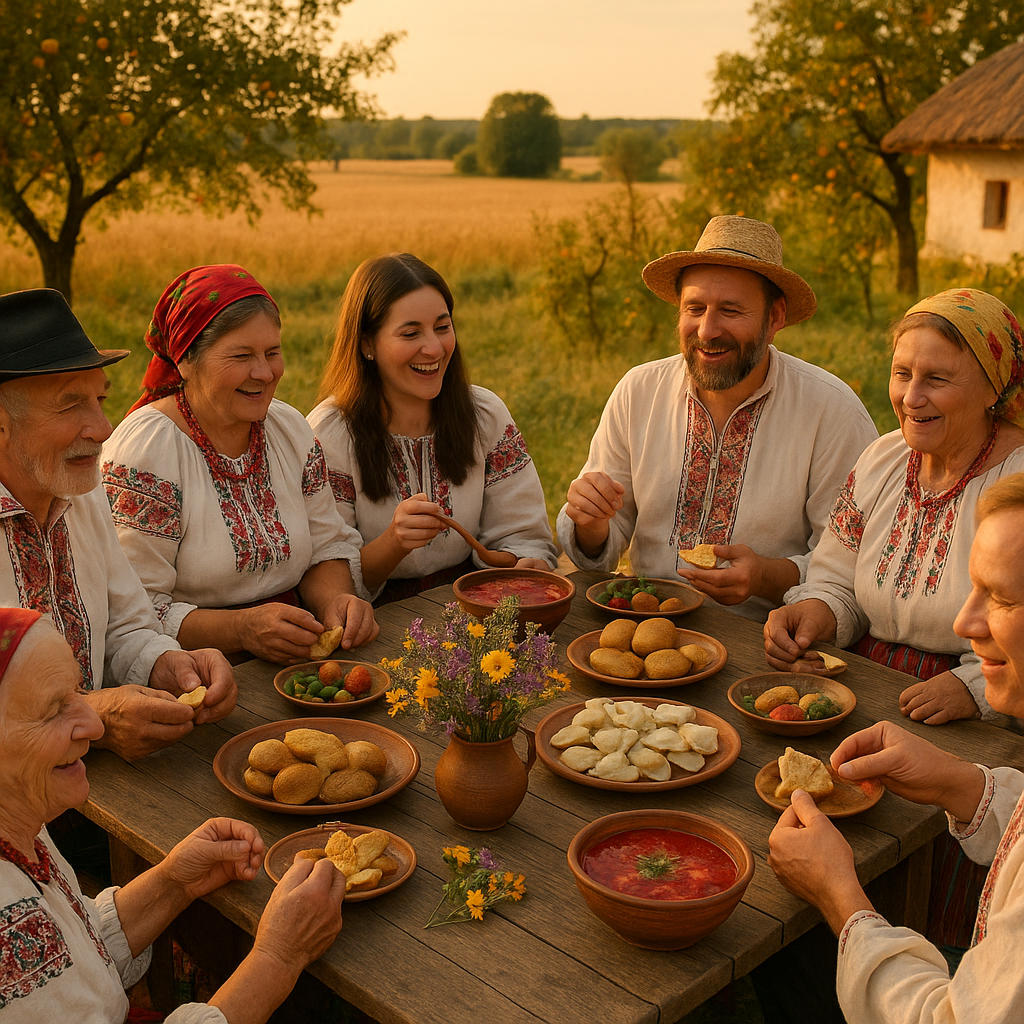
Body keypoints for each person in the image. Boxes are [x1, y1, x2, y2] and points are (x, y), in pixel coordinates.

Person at [0, 607, 345, 1023]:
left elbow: (70, 960)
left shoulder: (20, 834)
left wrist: (173, 883)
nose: (94, 724)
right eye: (54, 709)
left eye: (77, 693)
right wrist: (279, 957)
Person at [767, 471, 1024, 1024]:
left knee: (797, 961)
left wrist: (840, 899)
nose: (964, 622)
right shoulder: (881, 466)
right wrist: (960, 782)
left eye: (1003, 599)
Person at [557, 215, 877, 621]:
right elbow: (602, 544)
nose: (707, 330)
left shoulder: (833, 413)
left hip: (767, 635)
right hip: (644, 620)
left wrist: (763, 577)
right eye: (695, 308)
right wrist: (592, 522)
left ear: (775, 318)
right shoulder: (639, 391)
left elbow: (848, 563)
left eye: (730, 310)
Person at [764, 288, 1024, 725]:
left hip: (987, 722)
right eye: (902, 374)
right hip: (865, 686)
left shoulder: (1017, 484)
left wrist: (975, 688)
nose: (910, 397)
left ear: (992, 389)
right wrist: (815, 613)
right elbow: (836, 577)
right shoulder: (883, 459)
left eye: (937, 379)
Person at [0, 288, 236, 763]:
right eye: (70, 405)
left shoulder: (80, 492)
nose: (104, 428)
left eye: (100, 399)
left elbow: (127, 626)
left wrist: (166, 663)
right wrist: (93, 716)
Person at [101, 265, 379, 664]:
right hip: (193, 668)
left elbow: (326, 544)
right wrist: (241, 629)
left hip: (297, 649)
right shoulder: (148, 453)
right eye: (241, 355)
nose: (264, 373)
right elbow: (135, 609)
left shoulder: (289, 429)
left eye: (272, 353)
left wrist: (337, 600)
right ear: (186, 361)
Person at [307, 252, 557, 605]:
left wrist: (527, 560)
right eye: (411, 333)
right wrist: (394, 542)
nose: (435, 348)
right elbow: (331, 577)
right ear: (367, 344)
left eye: (442, 327)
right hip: (374, 615)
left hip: (475, 603)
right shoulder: (330, 433)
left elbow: (523, 534)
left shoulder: (484, 415)